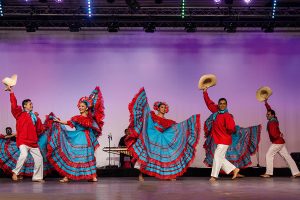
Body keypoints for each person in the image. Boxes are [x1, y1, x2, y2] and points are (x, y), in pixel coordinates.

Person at [125, 87, 200, 181]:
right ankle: (141, 175)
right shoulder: (152, 116)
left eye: (165, 107)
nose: (164, 109)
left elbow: (175, 128)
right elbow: (145, 120)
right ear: (158, 108)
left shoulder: (168, 121)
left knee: (166, 157)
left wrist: (187, 124)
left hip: (163, 139)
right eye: (162, 107)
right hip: (152, 137)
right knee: (146, 155)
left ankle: (168, 176)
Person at [47, 86, 104, 183]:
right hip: (78, 138)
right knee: (75, 157)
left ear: (87, 107)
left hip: (87, 139)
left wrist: (93, 96)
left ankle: (93, 176)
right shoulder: (77, 118)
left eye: (82, 106)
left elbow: (96, 120)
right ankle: (67, 176)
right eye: (79, 106)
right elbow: (69, 123)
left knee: (88, 157)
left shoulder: (90, 118)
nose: (80, 108)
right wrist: (59, 121)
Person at [5, 86, 45, 182]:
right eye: (30, 104)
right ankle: (15, 172)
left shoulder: (35, 118)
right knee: (23, 155)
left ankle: (37, 177)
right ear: (24, 106)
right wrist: (11, 92)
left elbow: (39, 129)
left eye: (32, 104)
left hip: (33, 142)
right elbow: (14, 105)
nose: (31, 105)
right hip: (23, 140)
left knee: (39, 158)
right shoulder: (20, 114)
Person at [203, 87, 241, 182]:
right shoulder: (216, 112)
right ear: (218, 104)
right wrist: (205, 92)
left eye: (224, 104)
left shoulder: (227, 116)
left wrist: (227, 131)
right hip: (220, 139)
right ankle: (234, 169)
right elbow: (209, 103)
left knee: (216, 156)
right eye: (221, 103)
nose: (222, 105)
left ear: (226, 105)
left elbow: (232, 128)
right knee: (220, 158)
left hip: (224, 139)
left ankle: (214, 176)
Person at [260, 100, 300, 178]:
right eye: (266, 114)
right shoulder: (275, 119)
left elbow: (274, 134)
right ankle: (296, 172)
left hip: (277, 142)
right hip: (280, 142)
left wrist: (278, 135)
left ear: (272, 115)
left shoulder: (272, 122)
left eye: (268, 114)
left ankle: (268, 173)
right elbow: (269, 109)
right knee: (287, 157)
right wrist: (266, 103)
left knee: (269, 155)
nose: (267, 115)